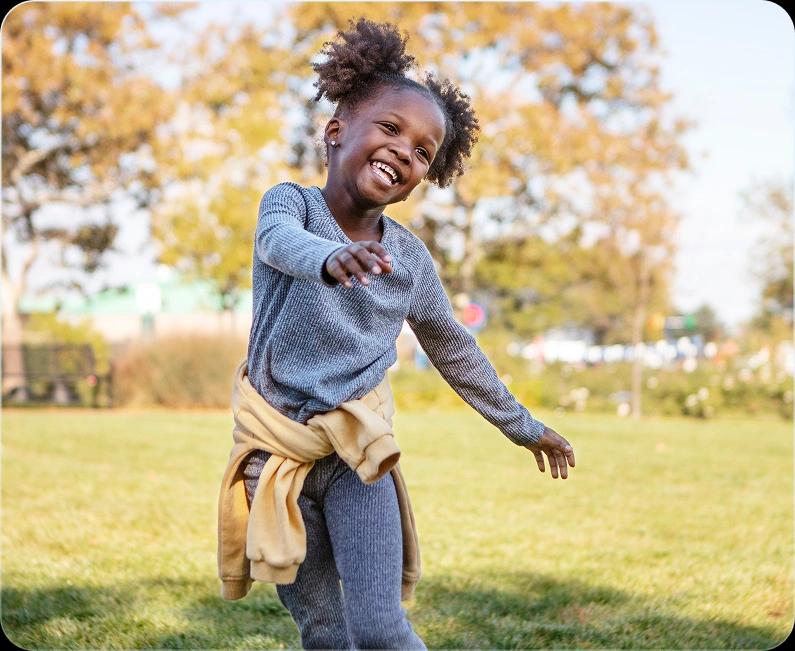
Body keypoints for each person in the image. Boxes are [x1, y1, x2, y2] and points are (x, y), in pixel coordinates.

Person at [241, 17, 575, 650]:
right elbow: (278, 244)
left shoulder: (410, 260)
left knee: (379, 626)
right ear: (336, 131)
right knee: (323, 629)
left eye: (423, 150)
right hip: (274, 452)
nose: (404, 150)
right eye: (390, 128)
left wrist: (524, 426)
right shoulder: (290, 205)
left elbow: (452, 346)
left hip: (359, 456)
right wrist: (328, 258)